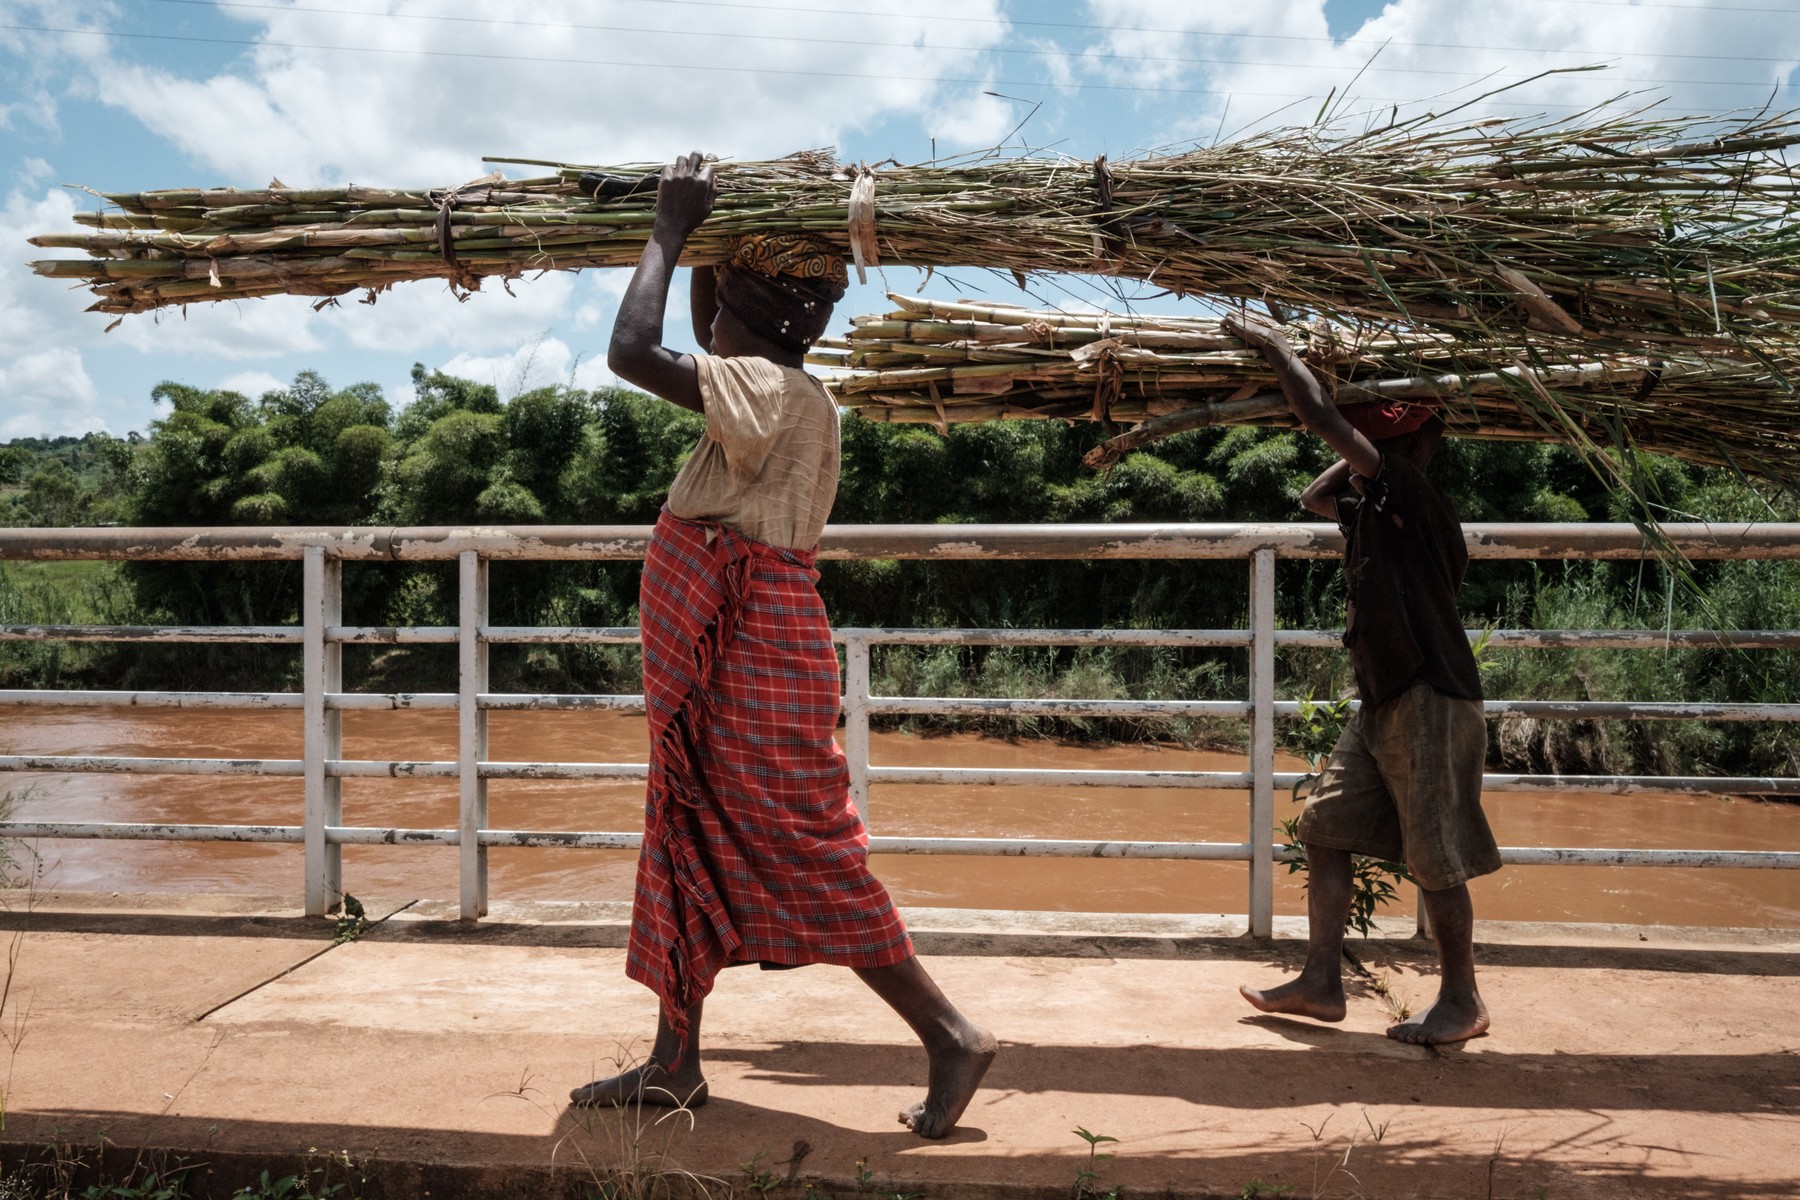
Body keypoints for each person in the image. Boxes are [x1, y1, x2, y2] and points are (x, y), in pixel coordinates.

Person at [570, 152, 997, 1137]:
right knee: (685, 831)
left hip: (749, 657)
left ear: (755, 320)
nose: (705, 316)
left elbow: (632, 352)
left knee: (804, 852)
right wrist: (722, 232)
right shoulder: (770, 385)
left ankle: (950, 1034)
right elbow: (697, 332)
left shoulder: (772, 393)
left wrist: (672, 228)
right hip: (733, 656)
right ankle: (675, 1061)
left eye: (722, 299)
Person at [1223, 312, 1501, 1047]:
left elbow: (1315, 416)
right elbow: (1316, 498)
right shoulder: (1378, 501)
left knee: (1435, 855)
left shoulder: (1413, 493)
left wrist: (1276, 347)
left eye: (1375, 440)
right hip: (1383, 700)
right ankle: (1321, 982)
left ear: (1411, 445)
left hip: (1432, 697)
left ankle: (1462, 1001)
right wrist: (1363, 450)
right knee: (1326, 828)